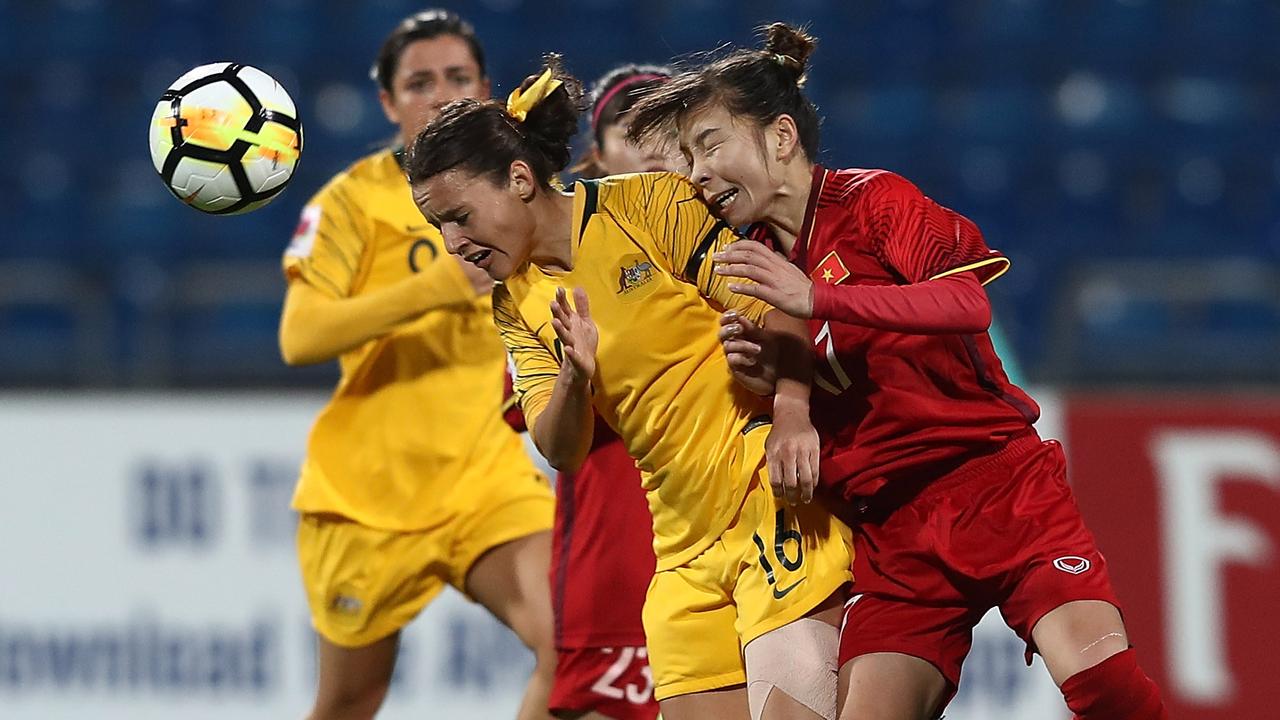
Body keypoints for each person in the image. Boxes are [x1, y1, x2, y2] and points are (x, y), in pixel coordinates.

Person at [628, 22, 1168, 720]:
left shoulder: (873, 201)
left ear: (781, 138)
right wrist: (766, 379)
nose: (698, 173)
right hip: (892, 532)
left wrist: (819, 296)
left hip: (996, 486)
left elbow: (967, 301)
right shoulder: (746, 261)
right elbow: (808, 374)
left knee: (1107, 692)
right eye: (690, 158)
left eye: (710, 146)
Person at [406, 58, 853, 720]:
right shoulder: (514, 305)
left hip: (769, 503)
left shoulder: (647, 206)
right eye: (438, 225)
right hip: (680, 548)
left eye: (460, 215)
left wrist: (789, 410)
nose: (453, 242)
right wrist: (573, 378)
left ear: (520, 179)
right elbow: (560, 448)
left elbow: (777, 298)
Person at [278, 10, 556, 720]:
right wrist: (439, 286)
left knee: (574, 644)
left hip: (486, 479)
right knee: (350, 702)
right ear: (388, 102)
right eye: (420, 81)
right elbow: (300, 336)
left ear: (486, 90)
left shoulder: (516, 195)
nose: (440, 93)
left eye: (458, 78)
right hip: (369, 495)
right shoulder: (353, 201)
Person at [543, 65, 676, 720]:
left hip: (746, 567)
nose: (651, 143)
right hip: (619, 577)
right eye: (632, 127)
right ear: (596, 154)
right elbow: (551, 433)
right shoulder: (553, 272)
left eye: (668, 124)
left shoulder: (743, 250)